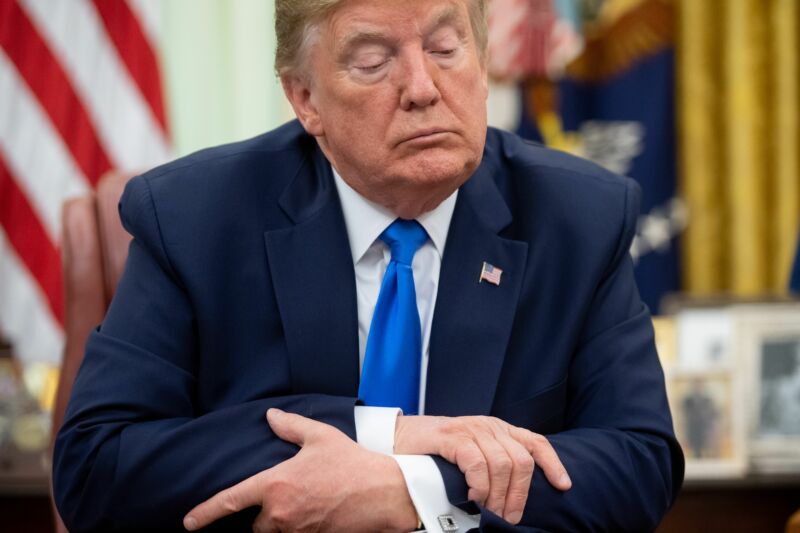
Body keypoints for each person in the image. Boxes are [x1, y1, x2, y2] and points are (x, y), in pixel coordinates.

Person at [53, 0, 684, 531]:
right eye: (373, 62)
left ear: (484, 64)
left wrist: (413, 487)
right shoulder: (194, 217)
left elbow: (638, 463)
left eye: (445, 48)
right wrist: (384, 435)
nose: (422, 88)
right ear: (305, 99)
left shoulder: (578, 217)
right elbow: (97, 466)